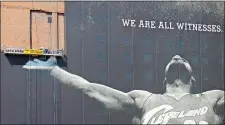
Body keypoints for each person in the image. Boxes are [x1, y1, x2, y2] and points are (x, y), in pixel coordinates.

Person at [23, 55, 224, 124]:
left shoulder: (212, 99)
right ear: (164, 80)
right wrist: (53, 70)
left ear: (193, 79)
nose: (177, 57)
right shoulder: (145, 99)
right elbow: (89, 89)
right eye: (173, 59)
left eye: (183, 60)